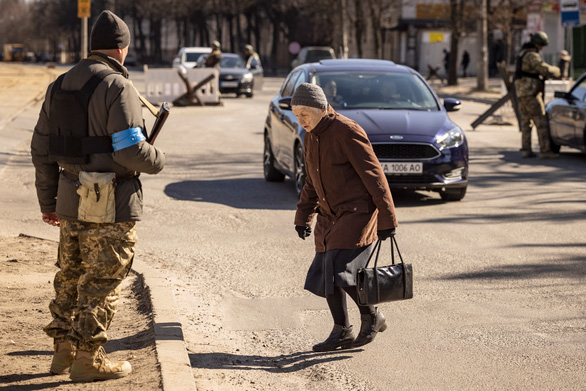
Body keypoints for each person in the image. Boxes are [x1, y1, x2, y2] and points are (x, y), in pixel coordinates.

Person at [30, 10, 165, 382]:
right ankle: (89, 360)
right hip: (111, 202)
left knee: (70, 276)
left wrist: (47, 204)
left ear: (93, 46)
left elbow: (40, 148)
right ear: (122, 49)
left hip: (69, 198)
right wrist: (159, 159)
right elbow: (129, 153)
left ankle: (64, 352)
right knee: (103, 281)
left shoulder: (58, 85)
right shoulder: (118, 87)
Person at [291, 83, 398, 352]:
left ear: (322, 108)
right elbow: (311, 181)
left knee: (340, 267)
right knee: (326, 272)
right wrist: (303, 216)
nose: (300, 119)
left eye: (304, 113)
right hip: (330, 215)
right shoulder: (309, 136)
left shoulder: (347, 131)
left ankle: (372, 316)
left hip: (357, 212)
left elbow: (375, 178)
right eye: (295, 114)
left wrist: (387, 220)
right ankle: (342, 331)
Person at [513, 31, 560, 159]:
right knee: (541, 122)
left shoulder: (522, 53)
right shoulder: (531, 55)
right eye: (541, 46)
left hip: (521, 93)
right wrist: (557, 70)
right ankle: (545, 150)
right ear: (537, 44)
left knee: (526, 122)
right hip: (531, 93)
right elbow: (543, 69)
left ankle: (526, 150)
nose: (541, 48)